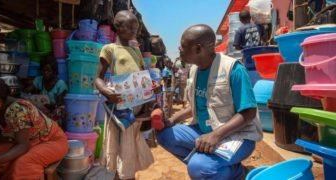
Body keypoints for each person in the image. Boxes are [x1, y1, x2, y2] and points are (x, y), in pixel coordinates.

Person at [157, 24, 263, 180]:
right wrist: (172, 120)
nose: (179, 49)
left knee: (199, 168)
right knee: (165, 136)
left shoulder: (233, 69)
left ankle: (235, 173)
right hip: (206, 131)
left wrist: (216, 135)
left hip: (238, 135)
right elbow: (196, 106)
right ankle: (215, 167)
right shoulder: (194, 70)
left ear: (198, 49)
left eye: (183, 45)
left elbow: (249, 112)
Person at [95, 10, 154, 180]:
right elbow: (97, 79)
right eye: (130, 28)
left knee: (130, 148)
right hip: (119, 108)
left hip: (136, 109)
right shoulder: (109, 49)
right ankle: (119, 177)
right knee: (117, 146)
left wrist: (151, 90)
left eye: (136, 28)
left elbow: (144, 76)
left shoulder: (136, 51)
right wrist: (107, 92)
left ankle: (128, 176)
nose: (134, 32)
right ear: (118, 27)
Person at [0, 76, 68, 179]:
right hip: (29, 141)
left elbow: (23, 146)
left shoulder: (18, 111)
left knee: (23, 164)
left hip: (52, 141)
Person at [24, 56, 68, 126]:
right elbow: (26, 92)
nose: (45, 73)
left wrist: (50, 106)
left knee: (60, 111)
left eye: (48, 71)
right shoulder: (39, 80)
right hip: (42, 111)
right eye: (43, 70)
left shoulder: (60, 84)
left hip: (54, 112)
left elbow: (60, 105)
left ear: (54, 71)